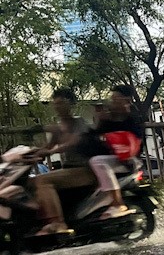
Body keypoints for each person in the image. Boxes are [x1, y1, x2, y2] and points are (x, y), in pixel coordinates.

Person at [33, 88, 98, 235]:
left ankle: (58, 223)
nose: (58, 106)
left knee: (42, 180)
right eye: (55, 103)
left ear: (71, 104)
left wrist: (51, 151)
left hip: (85, 169)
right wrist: (29, 154)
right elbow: (47, 147)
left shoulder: (79, 123)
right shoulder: (59, 126)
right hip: (69, 169)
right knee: (30, 183)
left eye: (61, 103)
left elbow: (72, 142)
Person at [88, 85, 144, 219]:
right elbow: (93, 137)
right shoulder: (108, 120)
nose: (112, 103)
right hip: (112, 159)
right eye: (112, 99)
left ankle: (117, 203)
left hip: (127, 160)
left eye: (116, 99)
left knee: (97, 161)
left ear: (126, 100)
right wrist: (99, 123)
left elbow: (134, 142)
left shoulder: (133, 119)